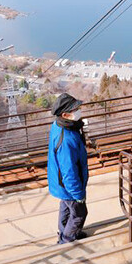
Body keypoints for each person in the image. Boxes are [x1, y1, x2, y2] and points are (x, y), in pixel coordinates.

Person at [47, 93, 89, 244]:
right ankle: (66, 240)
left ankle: (63, 232)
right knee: (79, 213)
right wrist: (79, 194)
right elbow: (69, 172)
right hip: (68, 184)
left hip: (60, 184)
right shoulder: (67, 139)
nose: (79, 110)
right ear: (65, 114)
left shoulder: (59, 125)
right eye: (76, 109)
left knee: (66, 206)